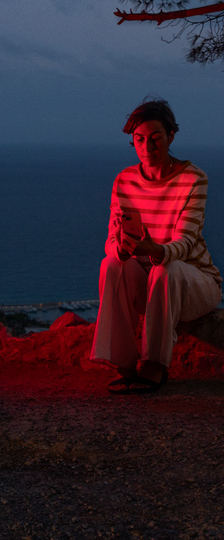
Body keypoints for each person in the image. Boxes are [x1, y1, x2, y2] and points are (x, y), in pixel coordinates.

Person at [90, 98, 222, 393]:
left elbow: (186, 244)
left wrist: (155, 251)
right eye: (140, 140)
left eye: (155, 138)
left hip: (194, 283)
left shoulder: (193, 179)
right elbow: (111, 241)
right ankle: (122, 361)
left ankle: (155, 365)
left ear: (171, 136)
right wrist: (122, 249)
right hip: (149, 283)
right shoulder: (124, 180)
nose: (147, 148)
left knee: (167, 270)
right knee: (111, 263)